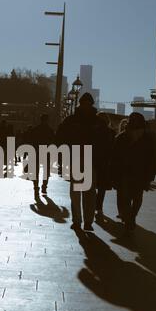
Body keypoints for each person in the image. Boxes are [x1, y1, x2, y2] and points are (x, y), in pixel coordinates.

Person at [57, 93, 99, 232]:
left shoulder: (71, 120)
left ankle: (78, 220)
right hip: (90, 159)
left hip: (77, 158)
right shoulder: (97, 122)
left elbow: (60, 139)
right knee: (89, 193)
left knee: (77, 192)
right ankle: (87, 221)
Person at [110, 112, 156, 233]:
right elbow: (152, 160)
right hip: (130, 174)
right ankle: (130, 218)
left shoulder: (122, 138)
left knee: (130, 198)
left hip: (134, 174)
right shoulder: (145, 139)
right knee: (134, 198)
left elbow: (151, 159)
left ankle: (130, 218)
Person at [95, 112, 116, 221]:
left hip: (94, 162)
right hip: (105, 163)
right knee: (102, 188)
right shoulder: (111, 133)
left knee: (92, 186)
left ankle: (95, 206)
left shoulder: (93, 132)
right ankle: (99, 208)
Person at [30, 114, 55, 197]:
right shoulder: (50, 130)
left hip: (36, 151)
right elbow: (53, 142)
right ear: (47, 120)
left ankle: (36, 187)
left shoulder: (35, 130)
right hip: (46, 152)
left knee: (35, 171)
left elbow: (31, 141)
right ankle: (44, 186)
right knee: (46, 171)